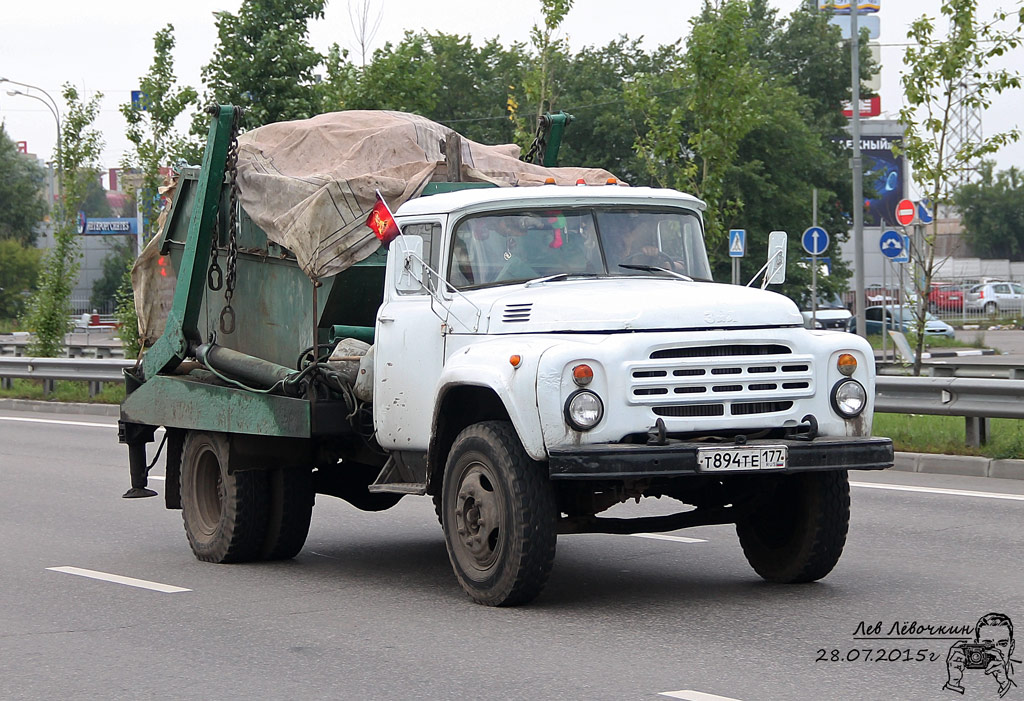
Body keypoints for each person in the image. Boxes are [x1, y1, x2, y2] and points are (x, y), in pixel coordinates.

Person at [945, 612, 1017, 697]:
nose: (996, 650)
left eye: (1003, 644)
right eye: (987, 644)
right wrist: (953, 683)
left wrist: (1005, 683)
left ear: (1012, 647)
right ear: (976, 645)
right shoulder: (965, 670)